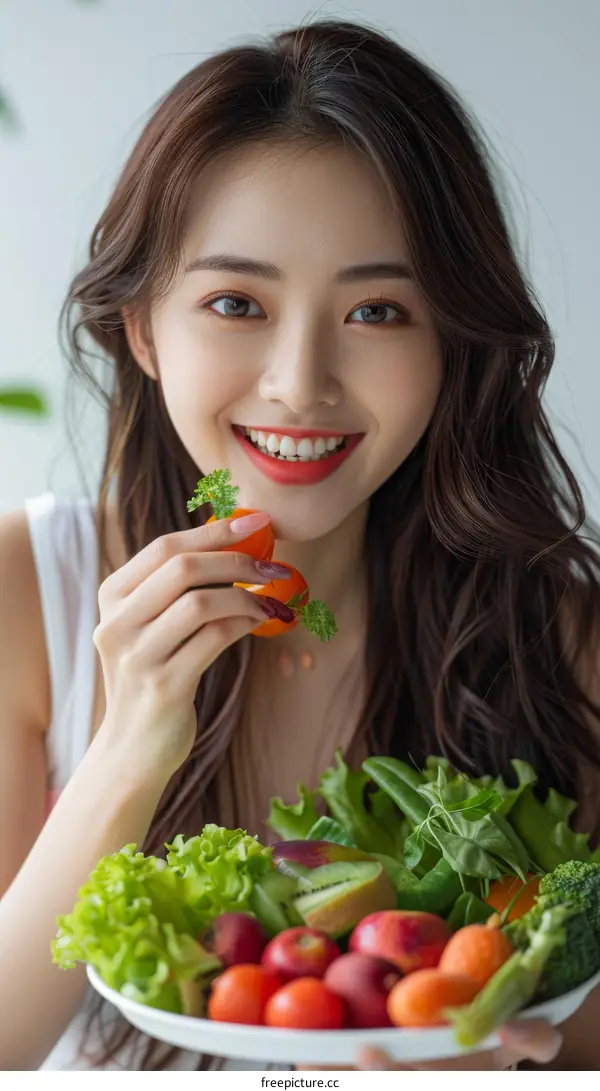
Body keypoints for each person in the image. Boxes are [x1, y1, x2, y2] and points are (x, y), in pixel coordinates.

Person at [0, 17, 598, 1072]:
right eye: (237, 302)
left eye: (378, 311)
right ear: (143, 327)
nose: (300, 382)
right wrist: (129, 746)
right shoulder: (24, 589)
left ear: (452, 342)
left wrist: (514, 1065)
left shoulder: (562, 633)